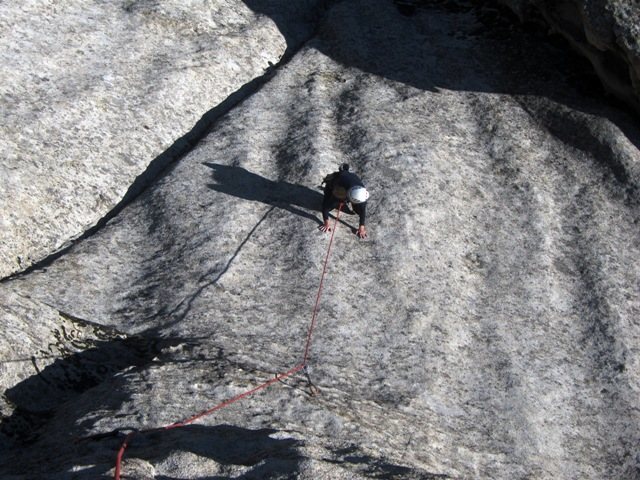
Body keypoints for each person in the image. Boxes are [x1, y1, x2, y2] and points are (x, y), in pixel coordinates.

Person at [319, 163, 369, 239]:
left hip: (350, 182)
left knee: (358, 210)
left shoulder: (362, 195)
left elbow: (362, 211)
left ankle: (345, 170)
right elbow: (325, 208)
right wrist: (326, 223)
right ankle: (343, 169)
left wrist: (361, 228)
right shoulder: (340, 191)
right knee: (331, 206)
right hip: (335, 183)